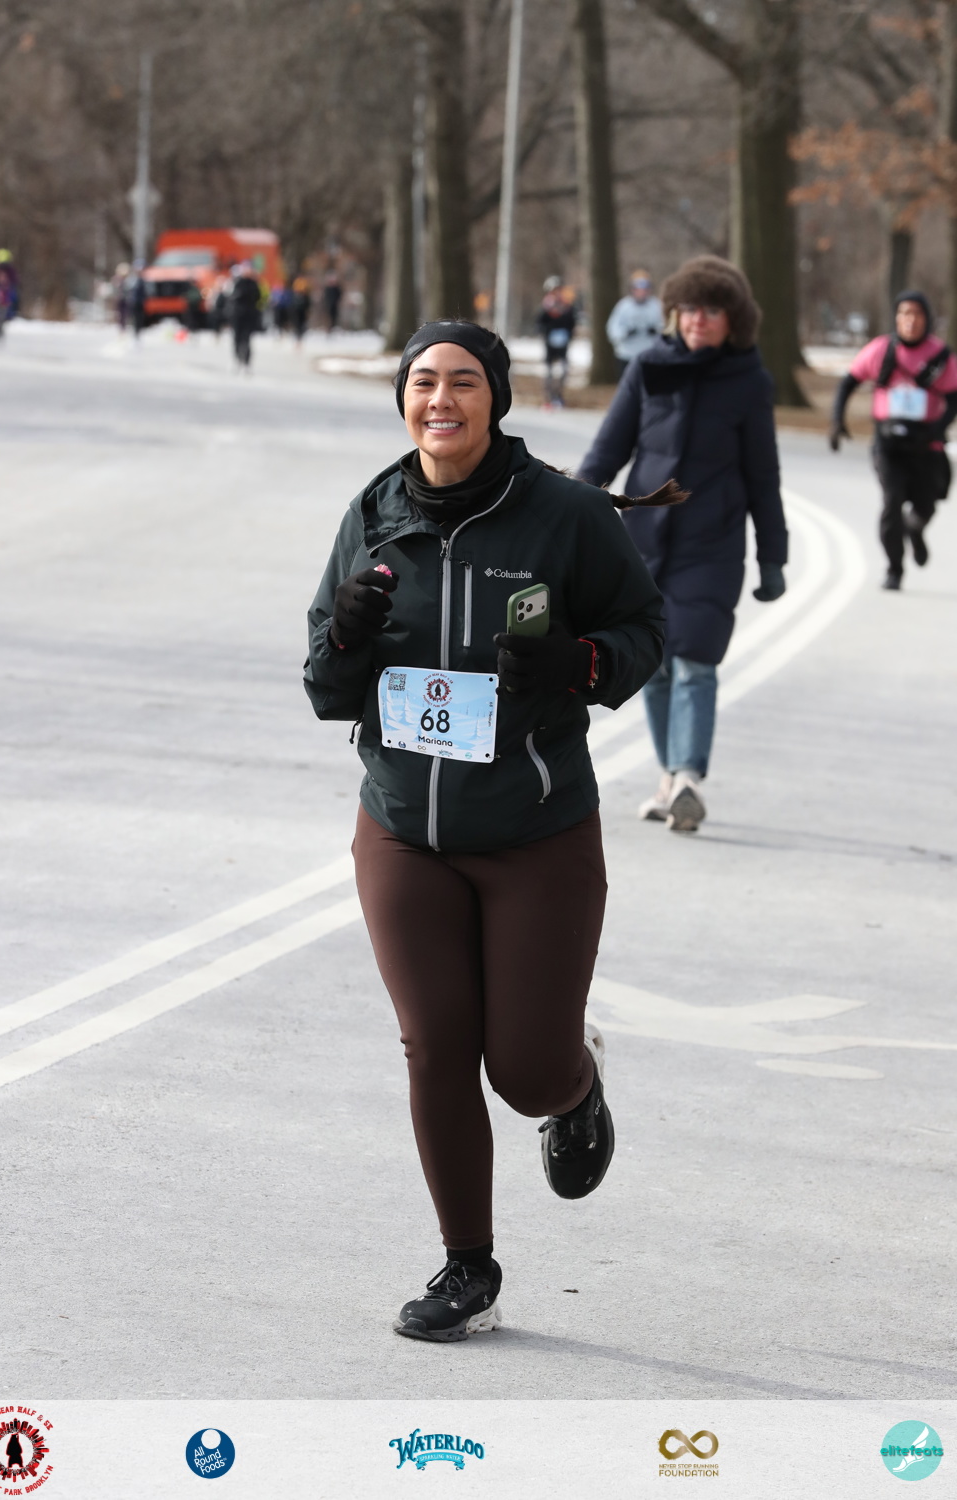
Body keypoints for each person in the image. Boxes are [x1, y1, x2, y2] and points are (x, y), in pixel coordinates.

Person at [304, 319, 665, 1342]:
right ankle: (469, 1266)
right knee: (434, 1046)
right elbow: (325, 686)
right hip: (401, 828)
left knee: (523, 1071)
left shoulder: (565, 514)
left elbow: (644, 629)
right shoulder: (372, 514)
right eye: (423, 382)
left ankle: (573, 1086)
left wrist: (578, 664)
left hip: (533, 830)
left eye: (463, 382)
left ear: (496, 399)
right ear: (403, 400)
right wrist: (346, 638)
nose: (441, 400)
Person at [577, 256, 788, 833]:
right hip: (642, 541)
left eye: (712, 311)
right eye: (690, 309)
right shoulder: (649, 367)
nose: (699, 320)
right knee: (654, 663)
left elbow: (763, 477)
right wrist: (566, 511)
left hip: (711, 545)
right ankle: (670, 779)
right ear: (675, 312)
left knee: (695, 657)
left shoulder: (749, 381)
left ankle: (688, 775)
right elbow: (608, 449)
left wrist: (773, 556)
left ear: (733, 320)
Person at [829, 289, 957, 590]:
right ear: (896, 318)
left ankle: (915, 530)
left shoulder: (941, 356)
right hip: (888, 446)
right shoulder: (880, 350)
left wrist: (938, 428)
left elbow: (954, 398)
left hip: (926, 445)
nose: (911, 320)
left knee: (926, 506)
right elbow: (849, 382)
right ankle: (894, 569)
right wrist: (837, 422)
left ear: (927, 319)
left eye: (917, 314)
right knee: (892, 502)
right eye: (904, 313)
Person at [605, 270, 663, 380]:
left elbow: (666, 327)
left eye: (645, 289)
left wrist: (656, 330)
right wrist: (625, 333)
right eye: (638, 289)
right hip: (627, 356)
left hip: (650, 355)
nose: (642, 292)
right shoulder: (623, 306)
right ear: (632, 289)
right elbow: (612, 329)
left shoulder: (656, 306)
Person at [537, 275, 576, 407]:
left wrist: (568, 334)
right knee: (549, 371)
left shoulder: (567, 306)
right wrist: (546, 333)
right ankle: (548, 397)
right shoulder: (546, 306)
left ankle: (559, 395)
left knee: (563, 370)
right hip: (550, 343)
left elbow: (571, 323)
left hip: (563, 343)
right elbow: (540, 323)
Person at [229, 262, 261, 368]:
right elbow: (232, 297)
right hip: (238, 315)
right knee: (237, 337)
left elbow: (258, 297)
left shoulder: (254, 284)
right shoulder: (238, 283)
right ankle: (238, 357)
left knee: (247, 338)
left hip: (249, 315)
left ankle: (246, 359)